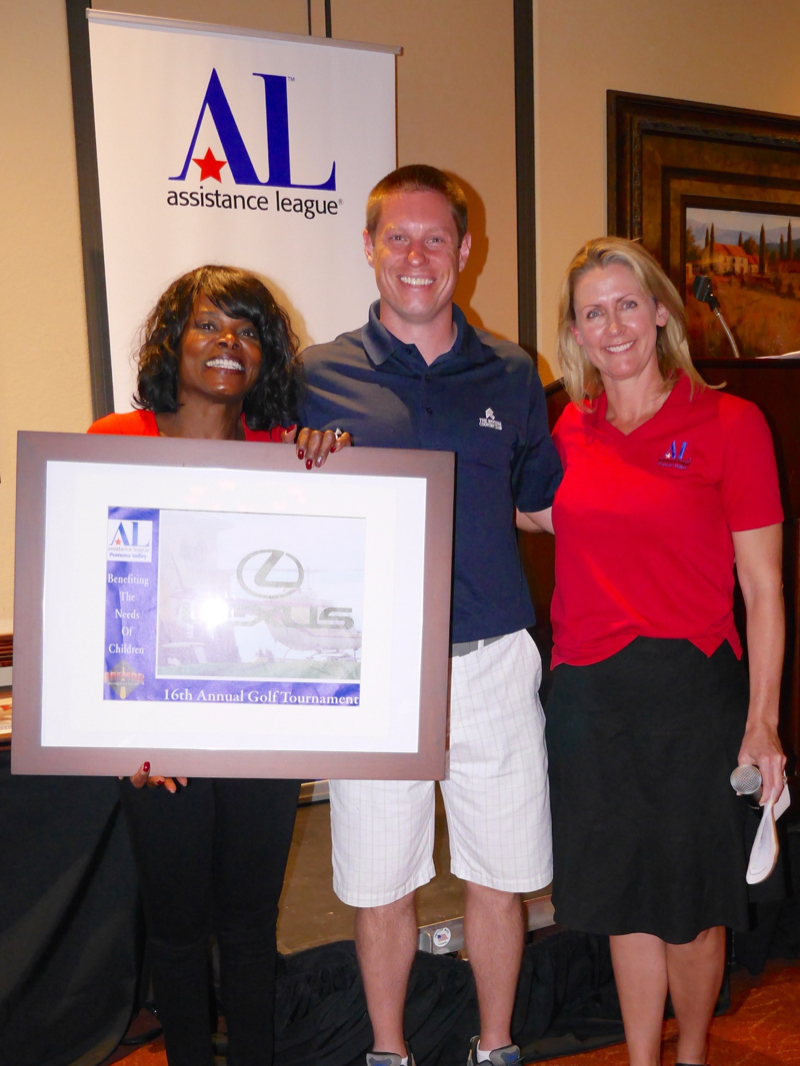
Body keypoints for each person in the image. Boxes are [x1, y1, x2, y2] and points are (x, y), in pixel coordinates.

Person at [297, 165, 563, 1066]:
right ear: (369, 247)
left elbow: (541, 505)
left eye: (436, 238)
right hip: (373, 668)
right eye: (398, 238)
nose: (417, 256)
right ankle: (388, 1052)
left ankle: (495, 1047)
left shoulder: (515, 372)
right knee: (382, 883)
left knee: (500, 874)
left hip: (493, 659)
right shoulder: (317, 375)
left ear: (465, 249)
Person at [89, 265, 348, 1066]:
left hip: (258, 725)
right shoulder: (114, 441)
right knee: (176, 931)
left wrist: (338, 465)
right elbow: (90, 597)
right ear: (174, 339)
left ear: (265, 355)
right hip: (154, 740)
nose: (228, 342)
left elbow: (321, 582)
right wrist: (120, 734)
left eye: (247, 330)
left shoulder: (286, 456)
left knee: (248, 926)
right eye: (208, 324)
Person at [540, 237, 786, 1066]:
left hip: (692, 695)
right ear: (575, 332)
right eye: (593, 312)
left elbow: (763, 589)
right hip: (588, 697)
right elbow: (532, 510)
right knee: (625, 900)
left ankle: (691, 1056)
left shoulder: (730, 424)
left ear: (659, 314)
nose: (612, 326)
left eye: (627, 305)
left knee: (693, 904)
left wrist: (762, 721)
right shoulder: (568, 427)